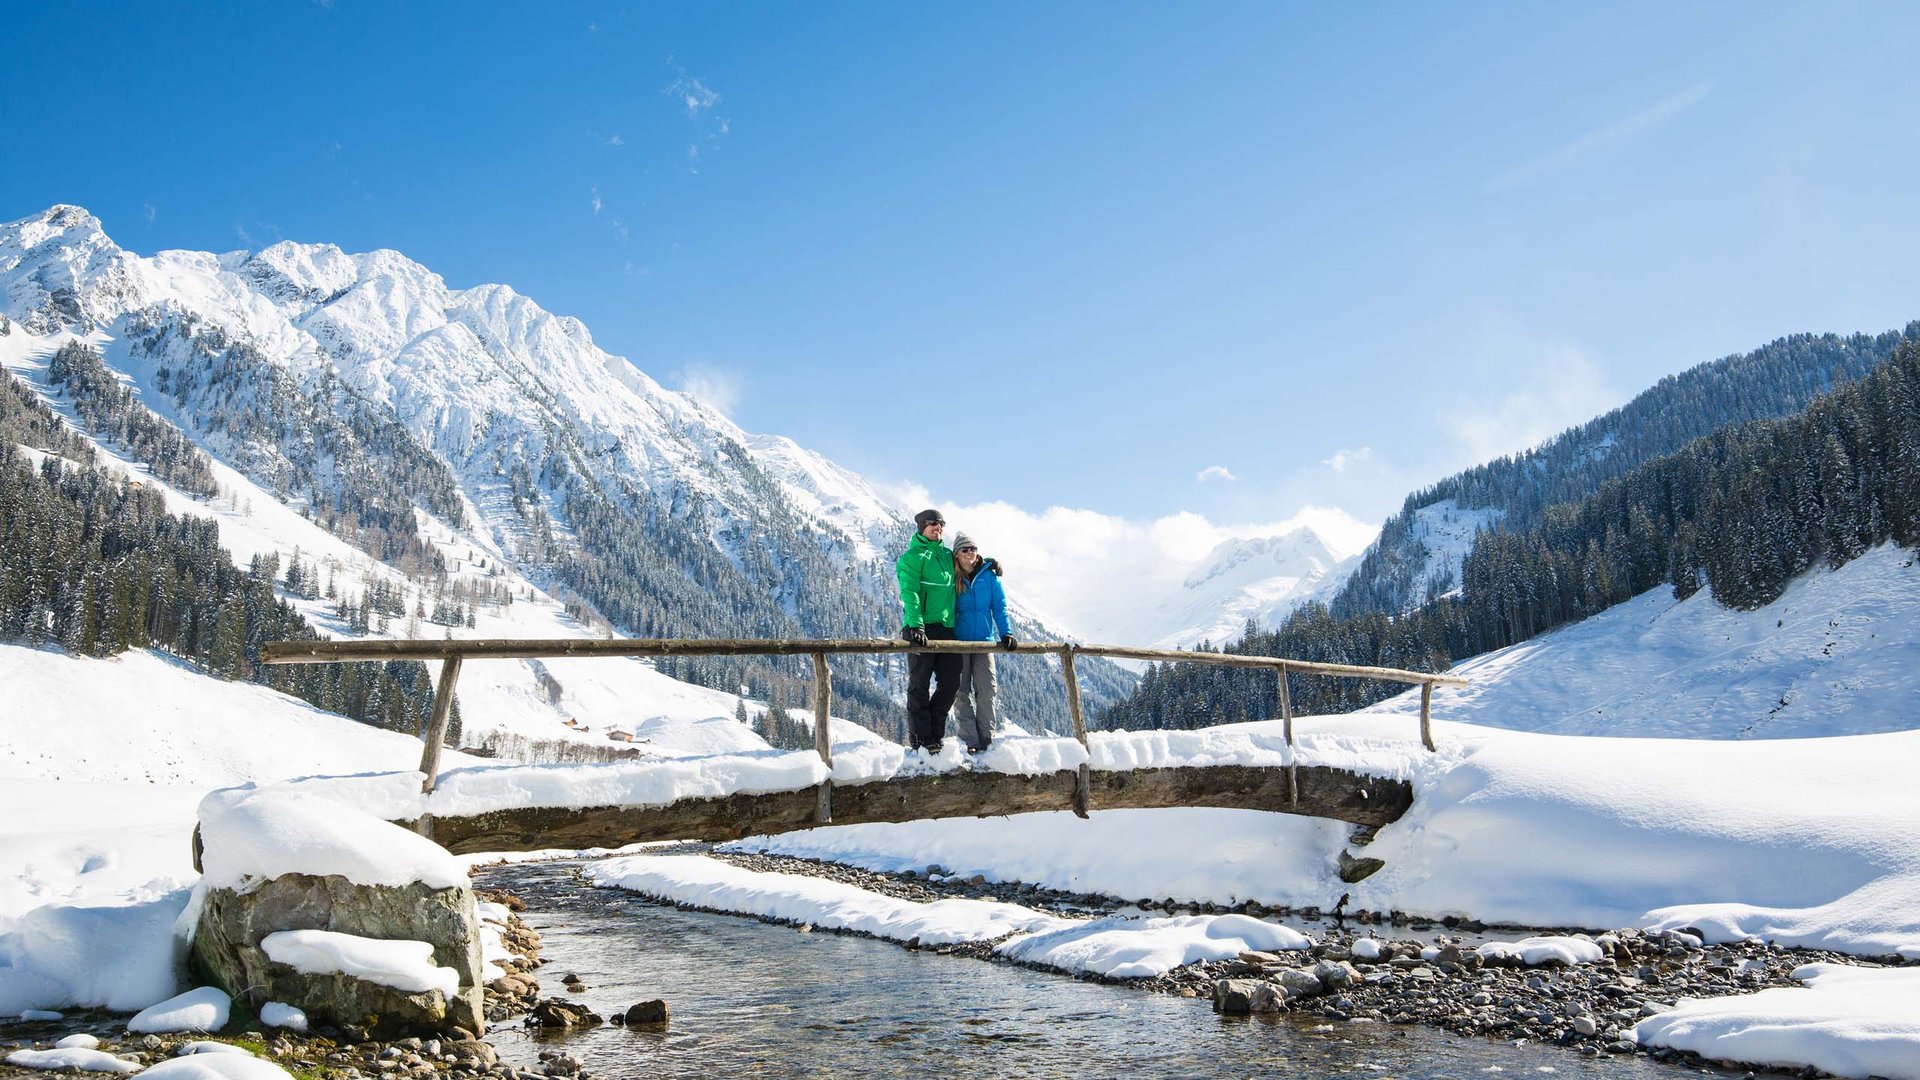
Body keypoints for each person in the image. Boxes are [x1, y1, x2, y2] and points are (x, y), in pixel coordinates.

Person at [896, 508, 960, 753]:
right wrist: (916, 625)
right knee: (919, 684)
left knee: (951, 681)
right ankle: (922, 739)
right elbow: (909, 592)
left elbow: (968, 562)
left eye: (941, 524)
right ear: (921, 526)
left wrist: (987, 565)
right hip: (919, 627)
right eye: (933, 523)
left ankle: (934, 731)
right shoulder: (912, 557)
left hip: (946, 628)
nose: (938, 528)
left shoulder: (946, 554)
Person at [950, 531, 1015, 754]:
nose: (970, 553)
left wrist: (1006, 633)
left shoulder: (989, 576)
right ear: (956, 554)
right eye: (965, 549)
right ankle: (970, 742)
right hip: (957, 643)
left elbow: (1000, 607)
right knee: (960, 692)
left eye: (973, 549)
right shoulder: (950, 575)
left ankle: (987, 741)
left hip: (984, 643)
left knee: (987, 690)